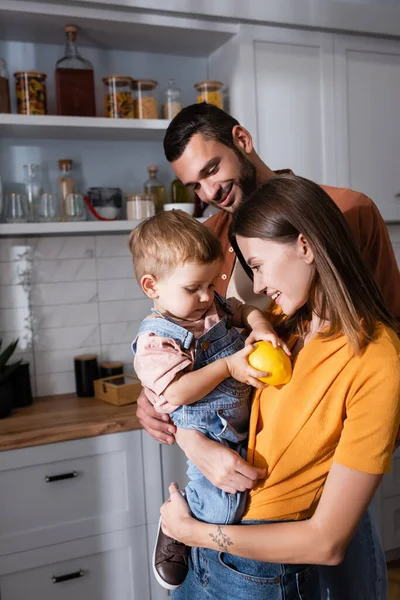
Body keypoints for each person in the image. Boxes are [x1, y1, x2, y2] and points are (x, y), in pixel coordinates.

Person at [136, 103, 400, 598]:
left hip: (324, 464)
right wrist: (161, 398)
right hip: (238, 468)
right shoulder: (211, 238)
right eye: (194, 186)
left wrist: (365, 445)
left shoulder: (347, 211)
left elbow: (381, 332)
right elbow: (186, 340)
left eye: (212, 170)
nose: (209, 194)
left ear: (242, 140)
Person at [129, 210, 289, 591]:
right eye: (193, 288)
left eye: (210, 284)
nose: (206, 297)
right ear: (152, 286)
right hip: (207, 429)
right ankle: (174, 525)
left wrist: (261, 325)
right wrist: (227, 368)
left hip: (237, 421)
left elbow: (243, 308)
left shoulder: (211, 304)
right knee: (223, 507)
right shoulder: (157, 340)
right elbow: (175, 393)